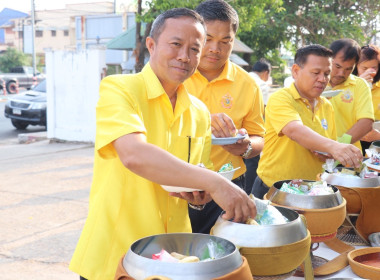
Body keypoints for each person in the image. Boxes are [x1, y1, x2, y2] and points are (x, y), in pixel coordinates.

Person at [69, 8, 257, 280]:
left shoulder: (199, 112)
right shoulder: (120, 89)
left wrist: (199, 196)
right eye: (176, 44)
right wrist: (216, 182)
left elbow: (191, 173)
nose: (185, 56)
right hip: (116, 252)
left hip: (173, 256)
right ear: (151, 45)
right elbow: (134, 155)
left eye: (195, 48)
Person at [184, 0, 265, 234]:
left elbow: (259, 136)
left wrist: (246, 147)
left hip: (229, 180)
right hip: (177, 183)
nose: (215, 49)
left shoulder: (248, 84)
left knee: (220, 254)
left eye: (225, 41)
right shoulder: (175, 73)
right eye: (208, 39)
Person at [252, 44, 363, 199]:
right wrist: (335, 146)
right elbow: (294, 130)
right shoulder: (281, 98)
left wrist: (331, 154)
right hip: (275, 189)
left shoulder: (326, 105)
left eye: (326, 74)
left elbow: (326, 146)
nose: (322, 79)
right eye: (316, 73)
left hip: (311, 191)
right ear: (296, 71)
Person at [328, 39, 374, 149]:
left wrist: (339, 145)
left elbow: (366, 122)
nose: (341, 73)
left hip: (348, 156)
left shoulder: (359, 85)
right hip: (314, 156)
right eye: (337, 66)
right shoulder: (315, 82)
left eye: (348, 69)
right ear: (328, 59)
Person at [352, 44, 380, 153]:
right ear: (355, 67)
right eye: (364, 68)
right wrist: (359, 84)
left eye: (374, 68)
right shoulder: (348, 86)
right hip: (353, 139)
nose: (370, 72)